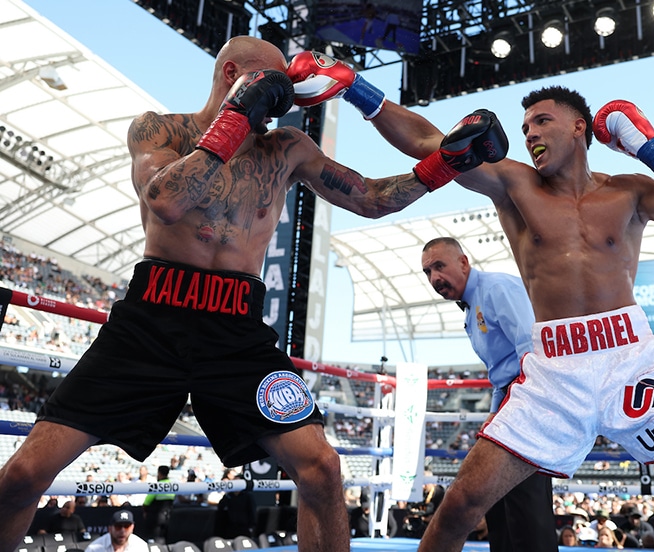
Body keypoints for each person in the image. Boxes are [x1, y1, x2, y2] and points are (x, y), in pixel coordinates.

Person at [285, 51, 654, 552]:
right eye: (525, 125)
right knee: (460, 507)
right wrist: (354, 86)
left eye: (542, 121)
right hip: (553, 371)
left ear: (579, 128)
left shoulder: (629, 191)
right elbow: (428, 142)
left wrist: (648, 145)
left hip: (631, 361)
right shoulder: (515, 184)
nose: (529, 132)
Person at [0, 36, 497, 552]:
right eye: (274, 81)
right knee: (25, 474)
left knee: (322, 469)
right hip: (150, 322)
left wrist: (447, 164)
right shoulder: (160, 128)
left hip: (236, 329)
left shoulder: (286, 149)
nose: (285, 95)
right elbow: (166, 201)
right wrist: (237, 116)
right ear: (232, 72)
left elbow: (371, 200)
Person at [420, 236, 558, 552]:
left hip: (529, 396)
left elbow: (531, 349)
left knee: (525, 506)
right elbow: (499, 372)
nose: (434, 278)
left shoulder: (496, 288)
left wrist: (518, 410)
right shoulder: (471, 309)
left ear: (464, 262)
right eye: (428, 272)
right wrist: (495, 414)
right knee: (496, 501)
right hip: (510, 399)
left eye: (439, 266)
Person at [141, 465, 173, 543]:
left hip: (155, 517)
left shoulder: (157, 486)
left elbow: (146, 502)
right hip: (168, 516)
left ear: (159, 473)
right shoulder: (172, 485)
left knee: (154, 539)